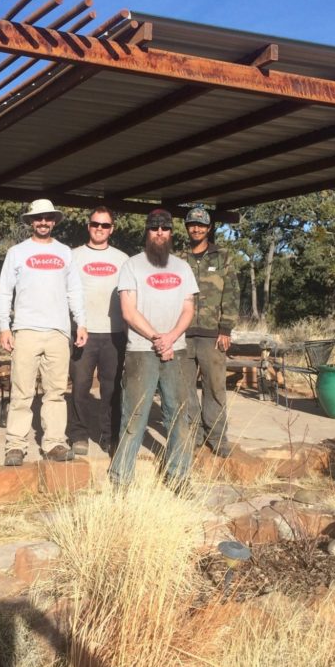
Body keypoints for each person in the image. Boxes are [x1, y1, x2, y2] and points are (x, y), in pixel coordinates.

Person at [109, 209, 199, 489]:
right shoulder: (132, 266)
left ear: (172, 233)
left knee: (179, 415)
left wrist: (171, 338)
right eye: (154, 228)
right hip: (141, 351)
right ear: (146, 232)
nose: (160, 233)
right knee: (135, 415)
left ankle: (178, 477)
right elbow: (128, 311)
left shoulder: (182, 267)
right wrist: (157, 338)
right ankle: (121, 478)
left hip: (177, 350)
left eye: (165, 228)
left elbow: (188, 309)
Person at [0, 199, 87, 465]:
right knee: (21, 392)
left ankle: (55, 444)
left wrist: (80, 323)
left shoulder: (65, 252)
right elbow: (4, 291)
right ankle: (15, 445)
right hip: (25, 330)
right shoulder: (17, 252)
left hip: (59, 331)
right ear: (30, 222)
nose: (43, 222)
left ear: (54, 221)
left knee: (56, 392)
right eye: (38, 218)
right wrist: (5, 326)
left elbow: (74, 291)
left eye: (48, 218)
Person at [178, 205, 240, 457]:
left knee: (215, 386)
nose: (196, 228)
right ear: (187, 227)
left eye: (201, 225)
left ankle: (216, 435)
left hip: (212, 334)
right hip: (182, 333)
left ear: (209, 228)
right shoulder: (178, 258)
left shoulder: (222, 257)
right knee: (184, 387)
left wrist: (226, 328)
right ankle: (193, 434)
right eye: (192, 224)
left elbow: (232, 293)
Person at [67, 206, 129, 456]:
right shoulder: (73, 256)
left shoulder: (122, 259)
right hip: (83, 332)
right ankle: (79, 435)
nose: (99, 229)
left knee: (112, 388)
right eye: (95, 224)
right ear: (88, 226)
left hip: (114, 333)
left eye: (105, 225)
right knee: (80, 386)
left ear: (111, 229)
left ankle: (109, 435)